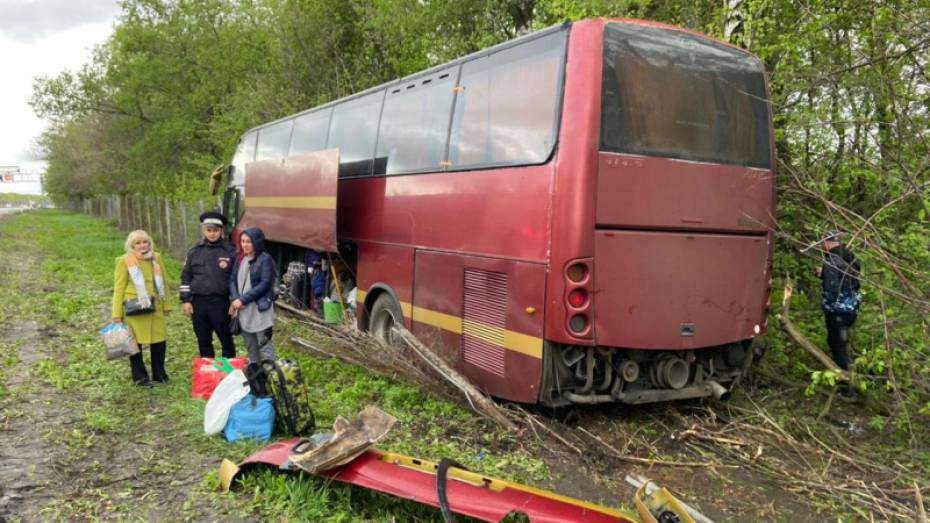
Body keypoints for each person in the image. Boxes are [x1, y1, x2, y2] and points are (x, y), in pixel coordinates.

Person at [112, 230, 171, 386]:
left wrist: (166, 305)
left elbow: (163, 282)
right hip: (134, 308)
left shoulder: (156, 258)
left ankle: (160, 374)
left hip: (155, 307)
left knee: (159, 341)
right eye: (138, 243)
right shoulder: (123, 261)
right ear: (132, 245)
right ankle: (140, 377)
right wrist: (116, 313)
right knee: (134, 344)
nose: (142, 245)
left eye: (145, 242)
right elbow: (118, 288)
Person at [180, 211, 238, 359]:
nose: (212, 234)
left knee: (226, 339)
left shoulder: (231, 251)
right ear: (204, 230)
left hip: (221, 303)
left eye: (216, 230)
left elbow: (236, 278)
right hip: (198, 303)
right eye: (209, 230)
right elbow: (186, 276)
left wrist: (234, 300)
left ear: (221, 231)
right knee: (203, 341)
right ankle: (209, 375)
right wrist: (186, 300)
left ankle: (228, 374)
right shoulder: (194, 251)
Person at [229, 227, 277, 363]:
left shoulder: (265, 259)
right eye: (243, 241)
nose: (245, 245)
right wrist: (235, 299)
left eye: (249, 242)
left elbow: (265, 283)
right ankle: (256, 377)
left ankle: (271, 376)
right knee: (251, 347)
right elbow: (232, 280)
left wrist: (243, 299)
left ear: (257, 242)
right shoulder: (240, 259)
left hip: (259, 310)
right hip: (243, 310)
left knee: (264, 346)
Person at [816, 231, 861, 373]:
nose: (822, 248)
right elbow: (846, 279)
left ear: (826, 243)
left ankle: (845, 383)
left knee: (837, 345)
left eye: (822, 244)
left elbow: (832, 290)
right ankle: (844, 371)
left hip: (838, 312)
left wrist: (826, 306)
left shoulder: (831, 261)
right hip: (852, 308)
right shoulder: (850, 257)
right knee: (841, 342)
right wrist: (824, 274)